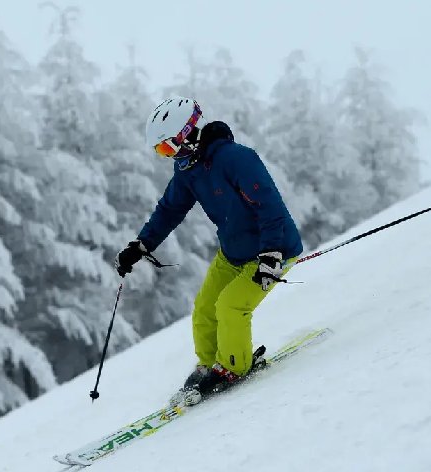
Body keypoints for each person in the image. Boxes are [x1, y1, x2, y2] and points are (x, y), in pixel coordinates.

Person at [114, 97, 303, 405]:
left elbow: (269, 206)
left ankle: (233, 367)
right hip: (233, 251)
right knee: (204, 307)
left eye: (167, 148)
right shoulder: (188, 169)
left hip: (272, 249)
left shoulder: (236, 159)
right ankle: (209, 364)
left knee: (231, 306)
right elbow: (169, 210)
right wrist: (141, 246)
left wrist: (271, 255)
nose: (167, 156)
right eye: (160, 151)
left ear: (186, 134)